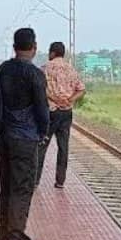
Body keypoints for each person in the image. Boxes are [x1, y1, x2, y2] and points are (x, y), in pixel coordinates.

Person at [0, 28, 50, 240]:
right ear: (34, 47)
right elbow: (42, 110)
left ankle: (4, 236)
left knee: (6, 187)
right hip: (25, 139)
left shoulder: (3, 70)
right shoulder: (35, 74)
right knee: (22, 188)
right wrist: (43, 133)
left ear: (14, 47)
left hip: (4, 138)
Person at [41, 41, 86, 189]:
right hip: (66, 112)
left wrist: (55, 99)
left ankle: (35, 180)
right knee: (63, 147)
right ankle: (60, 181)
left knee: (42, 145)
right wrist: (69, 100)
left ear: (52, 53)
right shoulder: (71, 69)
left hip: (51, 112)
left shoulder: (45, 68)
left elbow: (40, 89)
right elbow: (81, 90)